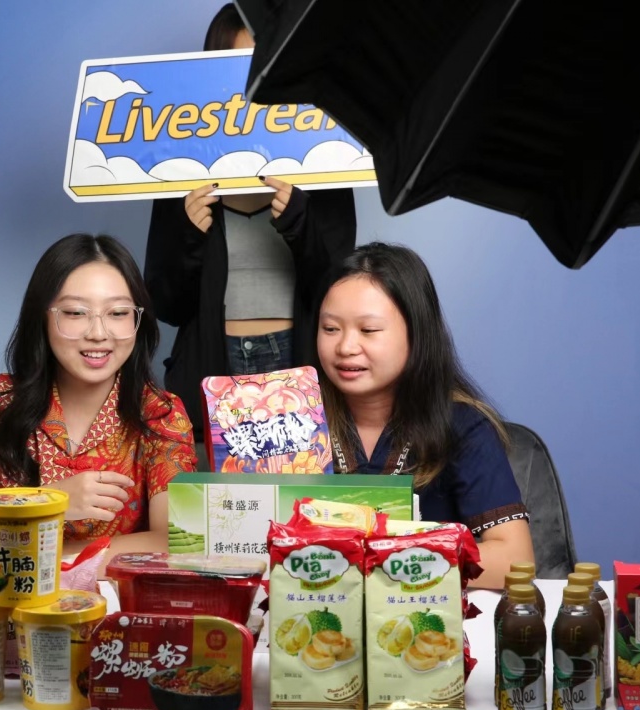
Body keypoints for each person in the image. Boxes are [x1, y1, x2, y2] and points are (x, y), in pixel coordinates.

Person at [144, 2, 357, 439]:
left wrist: (299, 221)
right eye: (240, 68)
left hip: (298, 362)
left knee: (301, 476)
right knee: (214, 485)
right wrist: (189, 235)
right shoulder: (179, 166)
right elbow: (166, 305)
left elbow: (338, 291)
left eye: (266, 65)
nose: (254, 84)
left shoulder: (325, 156)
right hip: (211, 364)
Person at [0, 233, 197, 558]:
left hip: (109, 592)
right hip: (10, 590)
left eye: (118, 313)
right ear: (43, 317)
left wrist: (52, 557)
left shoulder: (161, 413)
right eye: (76, 313)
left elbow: (175, 543)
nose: (98, 333)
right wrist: (46, 502)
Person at [312, 242, 535, 588]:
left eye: (368, 330)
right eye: (330, 329)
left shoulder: (461, 425)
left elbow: (515, 560)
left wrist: (391, 557)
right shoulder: (294, 418)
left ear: (417, 334)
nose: (345, 347)